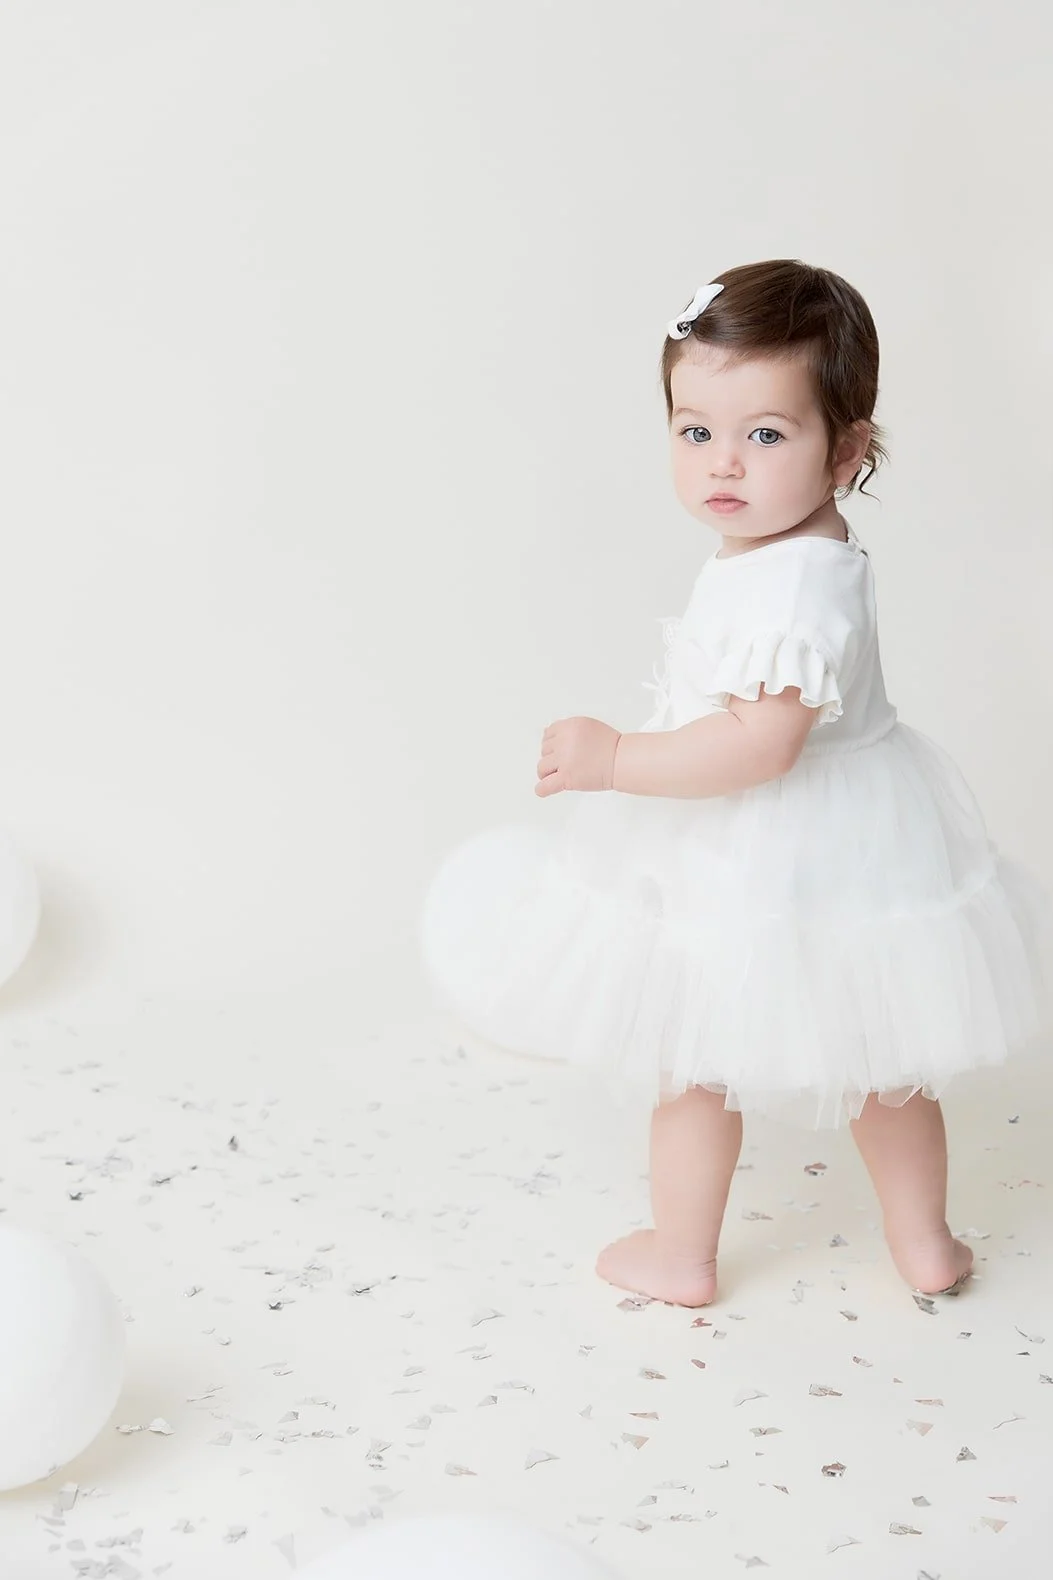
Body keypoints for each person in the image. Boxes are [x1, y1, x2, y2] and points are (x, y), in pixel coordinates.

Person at [421, 259, 1050, 1308]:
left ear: (847, 451)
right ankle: (923, 1239)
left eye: (766, 434)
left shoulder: (790, 589)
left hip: (759, 840)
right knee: (882, 1057)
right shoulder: (806, 550)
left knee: (694, 1056)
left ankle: (681, 1250)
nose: (723, 463)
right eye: (694, 428)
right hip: (860, 838)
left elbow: (761, 745)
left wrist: (616, 757)